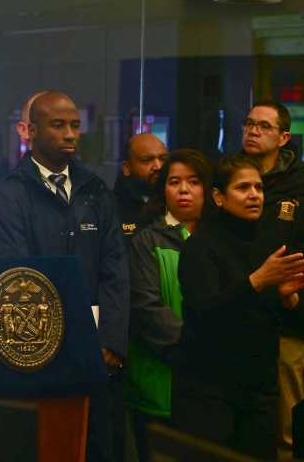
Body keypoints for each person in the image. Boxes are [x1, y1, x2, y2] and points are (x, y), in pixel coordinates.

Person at [0, 91, 128, 462]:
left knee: (98, 447)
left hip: (98, 349)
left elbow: (115, 269)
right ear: (30, 131)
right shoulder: (10, 194)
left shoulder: (95, 189)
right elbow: (18, 278)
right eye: (58, 125)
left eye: (75, 126)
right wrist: (55, 343)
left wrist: (111, 341)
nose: (70, 134)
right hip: (39, 349)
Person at [174, 154, 304, 460]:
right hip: (209, 389)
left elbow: (281, 314)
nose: (254, 195)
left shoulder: (271, 240)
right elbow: (205, 312)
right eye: (243, 188)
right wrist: (258, 281)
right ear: (219, 197)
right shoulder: (201, 245)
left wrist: (288, 298)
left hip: (259, 386)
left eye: (259, 188)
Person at [241, 100, 304, 458]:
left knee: (287, 432)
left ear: (284, 137)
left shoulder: (302, 186)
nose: (252, 131)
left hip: (288, 319)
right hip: (240, 315)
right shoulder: (231, 177)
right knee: (244, 427)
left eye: (263, 126)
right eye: (248, 124)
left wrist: (293, 299)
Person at [124, 149, 209, 460]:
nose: (184, 190)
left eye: (193, 182)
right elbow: (146, 307)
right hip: (159, 378)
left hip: (211, 387)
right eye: (174, 182)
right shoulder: (148, 241)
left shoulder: (219, 238)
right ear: (164, 190)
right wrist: (197, 347)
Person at [114, 133, 169, 238]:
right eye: (147, 160)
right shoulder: (111, 209)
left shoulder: (175, 202)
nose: (158, 166)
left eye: (163, 159)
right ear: (127, 168)